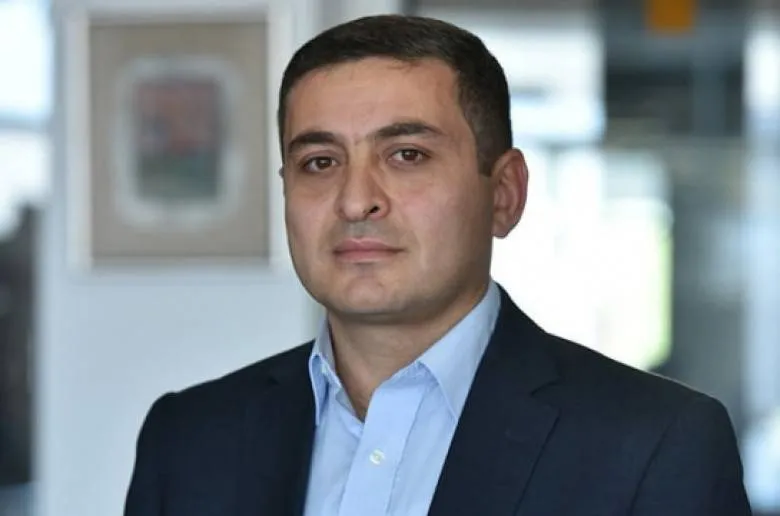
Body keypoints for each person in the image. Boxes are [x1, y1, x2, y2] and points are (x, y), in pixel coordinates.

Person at [124, 15, 752, 516]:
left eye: (406, 155)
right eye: (320, 162)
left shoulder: (654, 445)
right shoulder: (189, 439)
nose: (355, 200)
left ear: (504, 194)